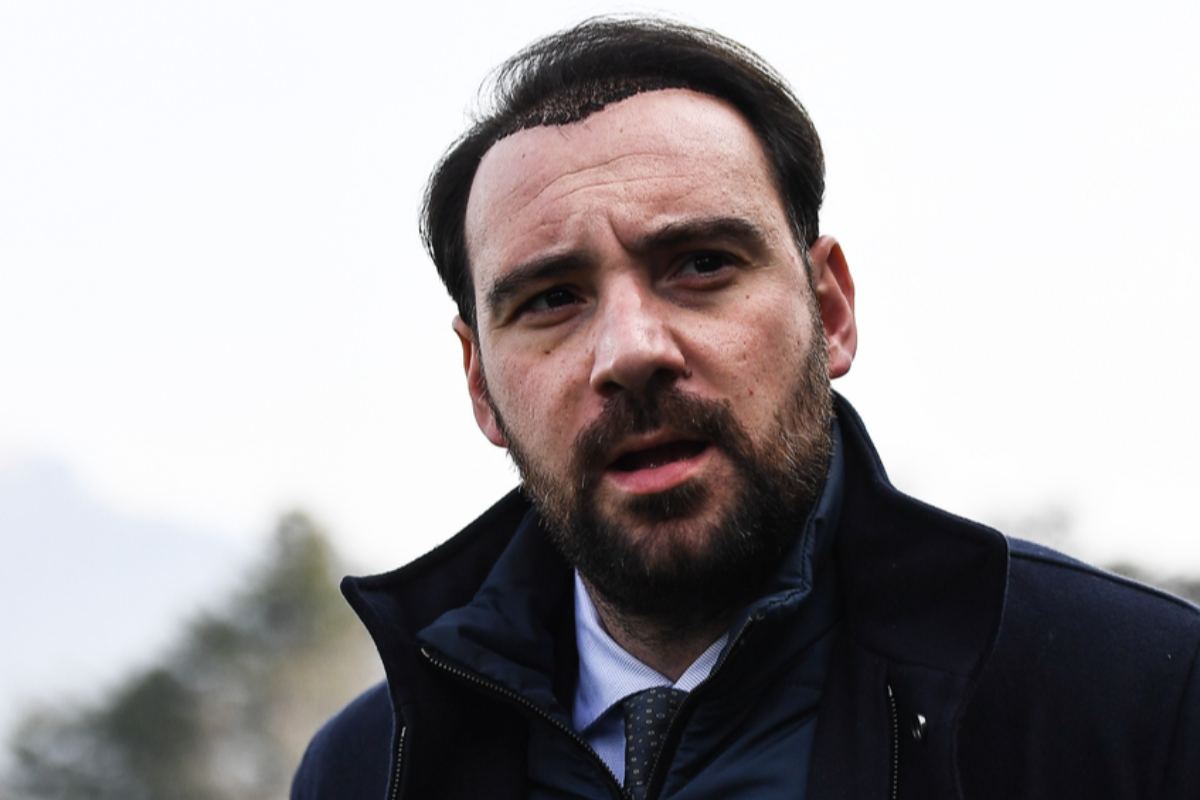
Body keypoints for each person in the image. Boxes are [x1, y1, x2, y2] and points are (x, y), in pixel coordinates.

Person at [292, 17, 1200, 800]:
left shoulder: (1131, 701)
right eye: (553, 300)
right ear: (481, 383)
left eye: (701, 265)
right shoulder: (368, 771)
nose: (632, 352)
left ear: (829, 312)